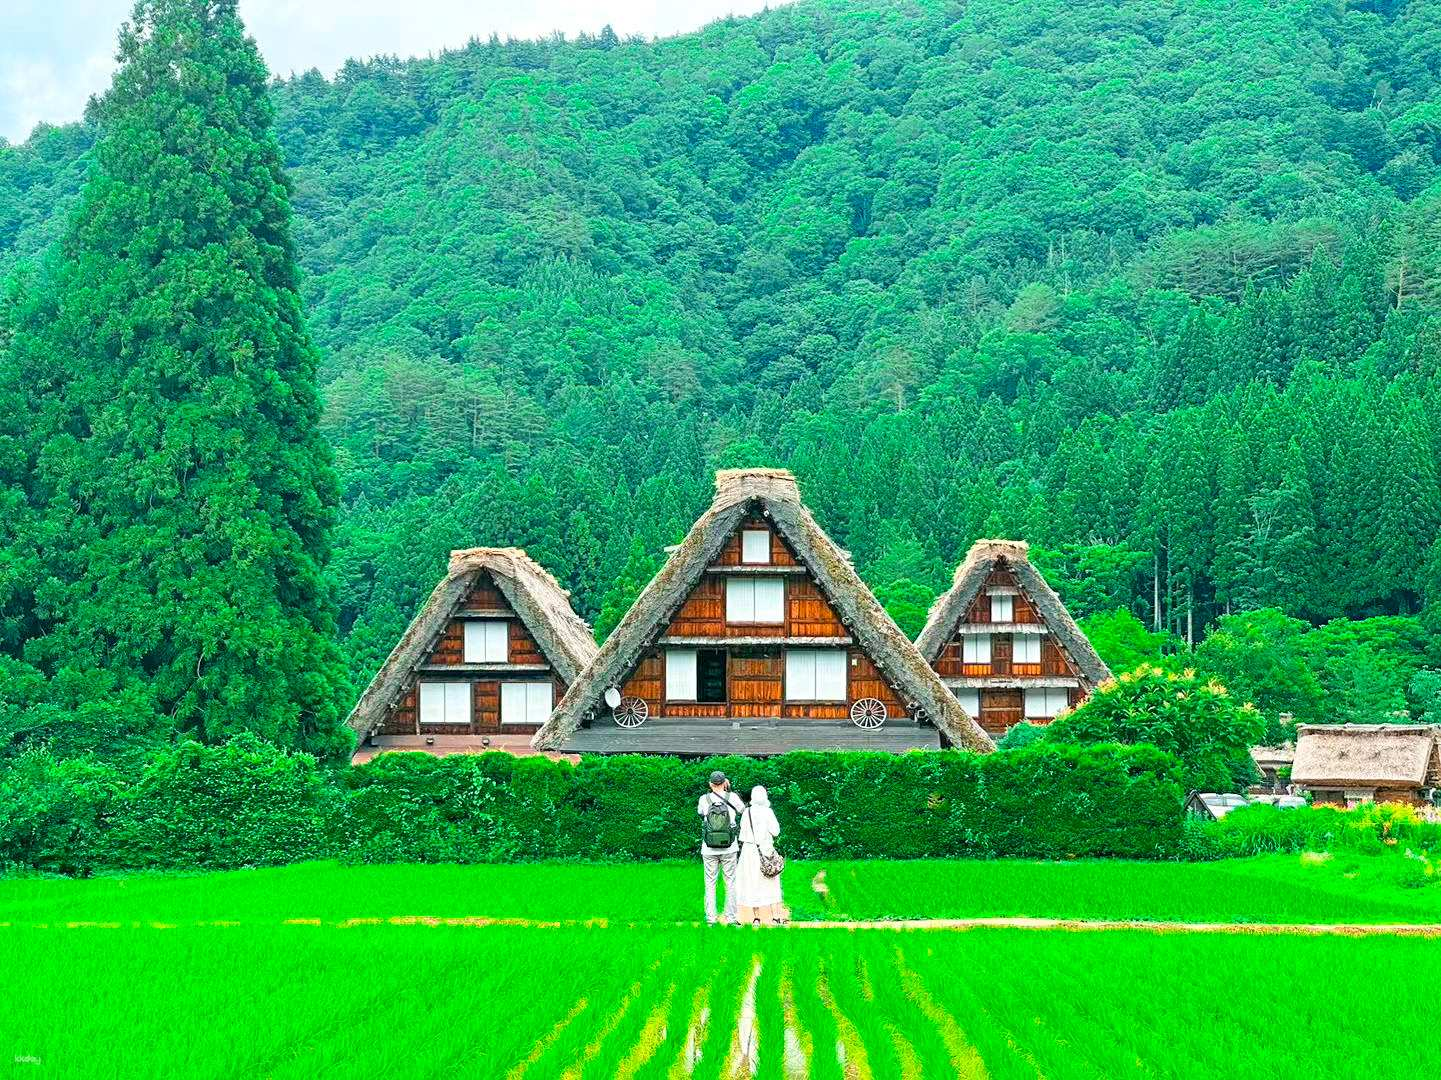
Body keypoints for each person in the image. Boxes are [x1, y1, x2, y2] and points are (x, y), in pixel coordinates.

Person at [697, 769, 745, 925]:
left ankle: (711, 920)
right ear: (725, 782)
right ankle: (731, 918)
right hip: (729, 847)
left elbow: (700, 813)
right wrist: (728, 790)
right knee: (730, 882)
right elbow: (742, 810)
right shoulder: (733, 797)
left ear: (710, 784)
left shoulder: (704, 799)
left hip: (708, 848)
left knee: (710, 883)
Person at [736, 785, 784, 926]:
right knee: (771, 881)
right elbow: (776, 831)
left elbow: (742, 831)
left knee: (752, 883)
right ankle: (775, 918)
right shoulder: (768, 812)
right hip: (765, 849)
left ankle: (756, 918)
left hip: (749, 852)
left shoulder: (747, 812)